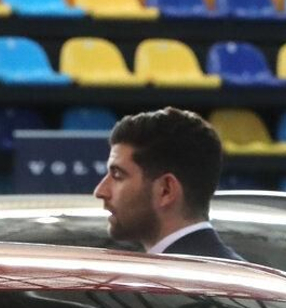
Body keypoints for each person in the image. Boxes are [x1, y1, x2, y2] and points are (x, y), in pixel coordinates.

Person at [94, 107, 244, 261]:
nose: (100, 191)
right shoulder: (240, 272)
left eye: (118, 175)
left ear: (166, 190)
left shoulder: (173, 280)